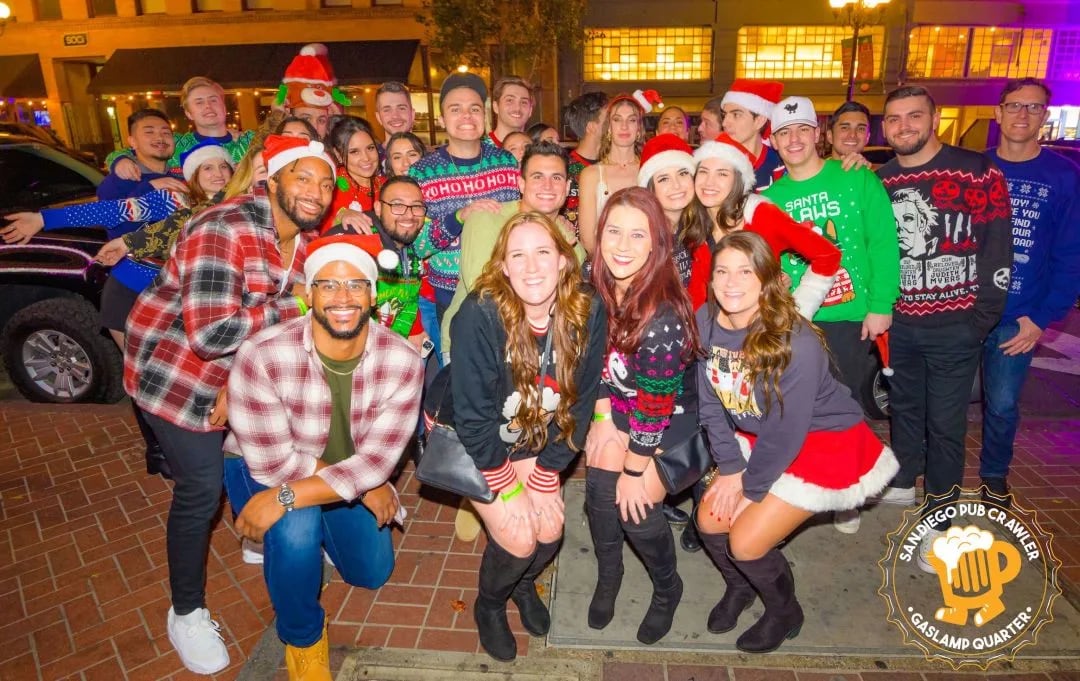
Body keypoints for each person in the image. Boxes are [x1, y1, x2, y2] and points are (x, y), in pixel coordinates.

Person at [123, 135, 335, 675]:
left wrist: (238, 385)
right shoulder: (223, 227)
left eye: (325, 183)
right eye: (303, 178)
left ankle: (266, 538)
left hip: (236, 373)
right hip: (174, 373)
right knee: (200, 487)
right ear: (272, 179)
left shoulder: (305, 243)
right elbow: (211, 334)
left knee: (283, 440)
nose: (315, 191)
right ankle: (186, 613)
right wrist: (300, 304)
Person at [224, 234, 423, 681]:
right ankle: (303, 639)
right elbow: (274, 464)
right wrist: (358, 486)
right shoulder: (263, 354)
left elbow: (379, 461)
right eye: (328, 285)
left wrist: (359, 481)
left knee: (372, 573)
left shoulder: (403, 361)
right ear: (309, 294)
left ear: (373, 295)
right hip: (262, 464)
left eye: (355, 284)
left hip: (336, 471)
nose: (342, 297)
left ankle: (319, 534)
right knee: (296, 531)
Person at [695, 230, 897, 653]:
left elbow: (786, 432)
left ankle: (784, 611)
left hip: (821, 440)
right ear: (710, 279)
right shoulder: (705, 321)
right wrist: (729, 468)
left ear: (768, 279)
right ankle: (741, 587)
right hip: (760, 434)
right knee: (709, 520)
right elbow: (710, 402)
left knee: (744, 541)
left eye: (745, 272)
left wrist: (749, 489)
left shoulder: (795, 341)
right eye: (722, 272)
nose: (732, 283)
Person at [442, 212, 605, 661]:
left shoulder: (587, 309)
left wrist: (549, 472)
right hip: (481, 444)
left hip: (534, 437)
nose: (532, 267)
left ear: (564, 261)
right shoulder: (479, 314)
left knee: (549, 531)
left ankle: (520, 585)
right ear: (504, 266)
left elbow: (583, 400)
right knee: (519, 539)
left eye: (542, 253)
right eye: (518, 256)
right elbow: (473, 420)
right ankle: (490, 604)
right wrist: (508, 486)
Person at [876, 86, 1013, 571]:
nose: (904, 126)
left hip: (957, 325)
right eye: (894, 119)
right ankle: (903, 480)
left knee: (946, 426)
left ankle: (940, 522)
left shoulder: (976, 170)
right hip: (899, 324)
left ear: (935, 118)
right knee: (905, 409)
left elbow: (998, 246)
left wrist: (981, 320)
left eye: (914, 116)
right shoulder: (880, 180)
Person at [763, 97, 900, 534]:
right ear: (774, 142)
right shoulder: (770, 198)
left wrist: (881, 305)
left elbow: (883, 242)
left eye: (802, 130)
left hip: (851, 317)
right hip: (799, 321)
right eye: (784, 133)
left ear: (818, 134)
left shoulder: (856, 177)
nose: (794, 139)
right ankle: (805, 486)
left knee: (847, 409)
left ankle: (848, 494)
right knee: (800, 410)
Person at [584, 187, 702, 645]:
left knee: (634, 508)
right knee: (599, 491)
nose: (622, 245)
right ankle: (609, 575)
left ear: (657, 243)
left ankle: (668, 589)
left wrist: (634, 470)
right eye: (614, 231)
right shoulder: (593, 282)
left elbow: (655, 407)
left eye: (638, 234)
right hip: (618, 402)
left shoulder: (663, 314)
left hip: (670, 417)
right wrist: (601, 417)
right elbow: (590, 358)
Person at [980, 78, 1080, 504]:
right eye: (1014, 105)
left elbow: (1071, 255)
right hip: (964, 311)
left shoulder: (1064, 175)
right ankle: (937, 471)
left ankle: (993, 474)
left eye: (1034, 107)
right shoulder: (975, 167)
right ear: (998, 112)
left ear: (1045, 116)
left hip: (1017, 317)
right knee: (942, 400)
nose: (1023, 114)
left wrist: (1041, 318)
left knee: (1002, 405)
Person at [441, 140, 580, 357]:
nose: (547, 186)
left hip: (543, 351)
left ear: (568, 187)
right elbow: (485, 292)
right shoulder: (486, 219)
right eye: (537, 177)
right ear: (521, 184)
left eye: (556, 178)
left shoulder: (570, 241)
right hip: (476, 346)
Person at [408, 72, 520, 321]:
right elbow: (418, 245)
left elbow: (520, 222)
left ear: (485, 117)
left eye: (475, 109)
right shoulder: (421, 172)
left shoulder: (505, 162)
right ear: (441, 119)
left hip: (506, 289)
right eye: (456, 109)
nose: (467, 116)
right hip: (450, 295)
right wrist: (459, 217)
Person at [106, 77, 255, 179]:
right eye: (199, 102)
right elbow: (127, 151)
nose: (208, 106)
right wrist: (120, 160)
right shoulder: (175, 144)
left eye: (213, 100)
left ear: (224, 106)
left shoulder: (250, 141)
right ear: (189, 113)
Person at [636, 133, 712, 308]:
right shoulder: (640, 233)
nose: (676, 185)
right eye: (664, 179)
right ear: (650, 189)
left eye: (683, 173)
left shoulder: (703, 227)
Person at [577, 95, 647, 255]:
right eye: (617, 119)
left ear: (639, 129)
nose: (624, 126)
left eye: (631, 120)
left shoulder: (649, 170)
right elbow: (588, 239)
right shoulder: (591, 175)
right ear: (608, 127)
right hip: (602, 262)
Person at [717, 79, 785, 189]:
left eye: (736, 115)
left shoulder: (781, 163)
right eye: (724, 115)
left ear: (759, 121)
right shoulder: (715, 161)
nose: (724, 123)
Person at [321, 116, 384, 232]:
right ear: (338, 155)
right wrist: (341, 216)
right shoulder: (329, 186)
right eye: (354, 152)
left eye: (370, 148)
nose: (366, 158)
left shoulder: (387, 186)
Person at [562, 91, 609, 234]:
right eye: (610, 119)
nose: (617, 124)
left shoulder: (613, 166)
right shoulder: (564, 169)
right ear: (592, 127)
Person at [489, 76, 534, 148]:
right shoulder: (479, 149)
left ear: (530, 110)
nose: (517, 108)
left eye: (524, 102)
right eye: (509, 100)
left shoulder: (536, 150)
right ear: (496, 107)